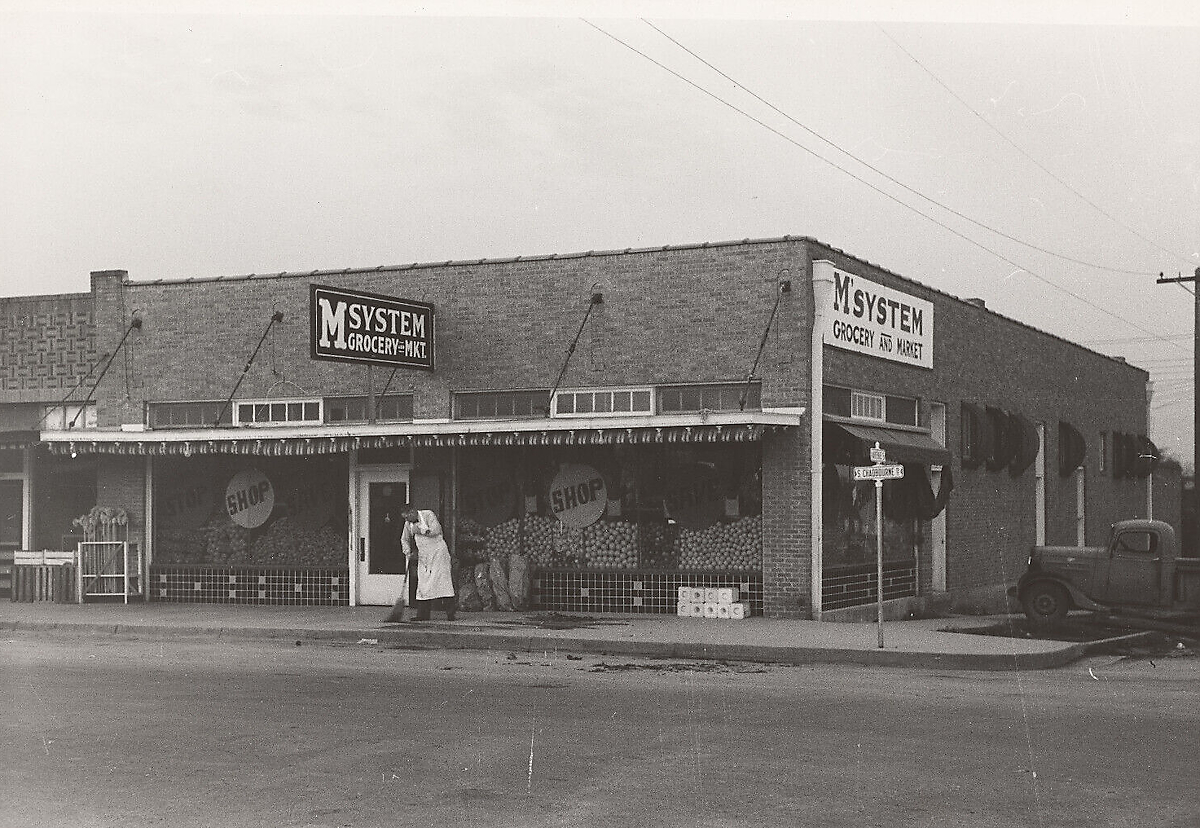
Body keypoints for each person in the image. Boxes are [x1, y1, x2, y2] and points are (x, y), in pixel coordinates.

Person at [398, 505, 456, 621]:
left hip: (439, 554)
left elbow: (436, 530)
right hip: (424, 557)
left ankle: (450, 614)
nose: (407, 520)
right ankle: (423, 615)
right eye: (405, 518)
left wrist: (419, 530)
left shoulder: (428, 514)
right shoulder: (408, 524)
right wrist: (408, 552)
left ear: (413, 512)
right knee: (423, 586)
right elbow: (404, 539)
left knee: (444, 583)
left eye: (408, 517)